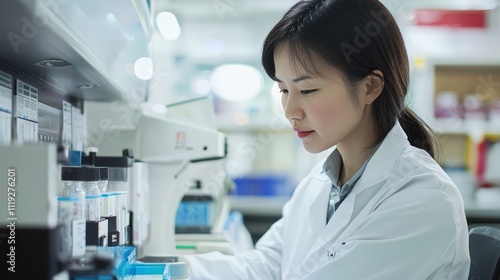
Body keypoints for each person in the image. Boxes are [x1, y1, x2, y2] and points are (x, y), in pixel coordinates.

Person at [184, 0, 471, 279]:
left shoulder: (422, 201)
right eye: (283, 90)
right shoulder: (321, 182)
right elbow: (267, 265)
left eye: (307, 90)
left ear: (370, 87)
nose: (290, 111)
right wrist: (173, 269)